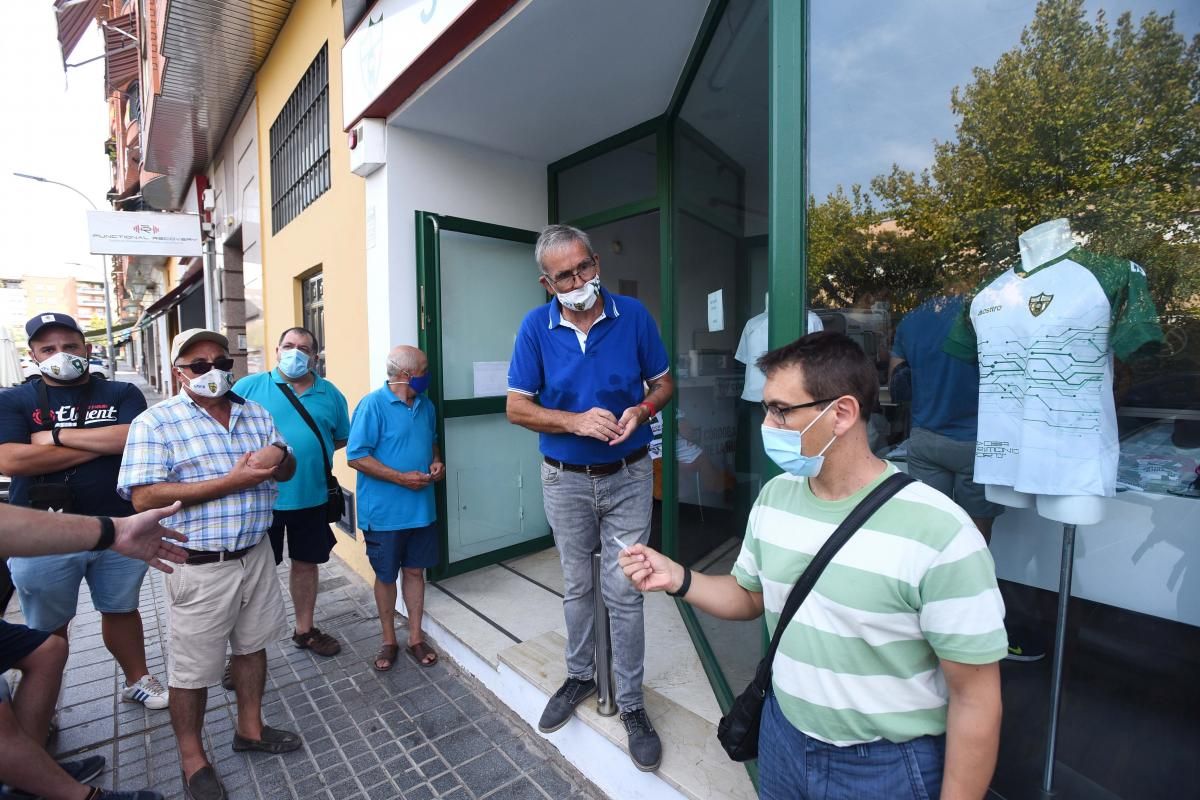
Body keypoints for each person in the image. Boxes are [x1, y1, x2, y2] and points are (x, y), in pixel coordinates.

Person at [619, 332, 1006, 799]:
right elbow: (750, 597)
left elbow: (976, 698)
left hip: (884, 765)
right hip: (783, 738)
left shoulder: (939, 530)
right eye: (765, 408)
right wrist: (677, 578)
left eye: (780, 409)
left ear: (840, 413)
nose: (767, 423)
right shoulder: (775, 497)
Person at [506, 224, 674, 771]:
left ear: (596, 261)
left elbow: (665, 384)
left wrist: (642, 412)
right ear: (545, 282)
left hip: (628, 474)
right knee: (578, 586)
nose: (580, 281)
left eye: (584, 267)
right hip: (565, 478)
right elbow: (517, 407)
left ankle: (631, 703)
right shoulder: (535, 327)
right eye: (565, 276)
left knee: (625, 590)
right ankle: (579, 677)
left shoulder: (634, 316)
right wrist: (573, 421)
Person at [116, 329, 301, 800]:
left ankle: (250, 729)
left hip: (255, 553)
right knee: (192, 671)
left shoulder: (254, 412)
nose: (213, 371)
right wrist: (233, 480)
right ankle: (193, 758)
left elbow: (287, 466)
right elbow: (144, 494)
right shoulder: (156, 423)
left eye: (221, 361)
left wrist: (280, 457)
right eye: (199, 364)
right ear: (178, 370)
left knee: (253, 646)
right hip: (199, 564)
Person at [0, 313, 169, 711]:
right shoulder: (13, 399)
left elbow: (131, 437)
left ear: (87, 349)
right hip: (42, 535)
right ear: (34, 356)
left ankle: (137, 679)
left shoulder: (121, 392)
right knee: (47, 628)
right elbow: (11, 460)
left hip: (120, 526)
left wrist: (53, 438)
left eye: (70, 346)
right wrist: (99, 443)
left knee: (122, 608)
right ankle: (44, 706)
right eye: (49, 349)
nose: (61, 355)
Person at [890, 293, 1045, 661]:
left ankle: (916, 625)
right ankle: (975, 632)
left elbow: (898, 385)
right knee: (973, 545)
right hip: (980, 442)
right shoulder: (989, 314)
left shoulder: (911, 320)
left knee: (926, 540)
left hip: (926, 439)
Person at [0, 503, 185, 800]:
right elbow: (12, 462)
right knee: (3, 720)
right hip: (47, 523)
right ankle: (77, 794)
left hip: (102, 522)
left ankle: (31, 770)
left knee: (48, 650)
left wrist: (113, 530)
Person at [232, 327, 350, 658]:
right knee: (250, 574)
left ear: (315, 356)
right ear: (276, 350)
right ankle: (244, 651)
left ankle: (305, 630)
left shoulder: (329, 393)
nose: (295, 352)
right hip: (259, 500)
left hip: (311, 497)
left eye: (304, 348)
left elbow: (339, 437)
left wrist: (312, 450)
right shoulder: (248, 387)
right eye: (289, 346)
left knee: (306, 564)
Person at [347, 346, 444, 673]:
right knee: (386, 575)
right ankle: (389, 639)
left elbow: (430, 440)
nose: (429, 373)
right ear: (407, 375)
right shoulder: (372, 405)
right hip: (385, 514)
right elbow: (356, 456)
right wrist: (400, 478)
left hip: (421, 510)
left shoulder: (426, 405)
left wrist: (436, 460)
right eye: (425, 368)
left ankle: (415, 637)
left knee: (416, 572)